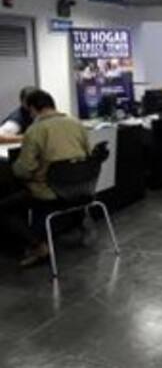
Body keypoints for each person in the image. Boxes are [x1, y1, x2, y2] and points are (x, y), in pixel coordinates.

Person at [0, 90, 91, 266]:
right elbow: (88, 155)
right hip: (82, 189)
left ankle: (38, 246)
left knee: (4, 208)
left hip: (51, 192)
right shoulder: (77, 124)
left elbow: (23, 170)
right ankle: (77, 222)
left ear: (33, 109)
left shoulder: (35, 131)